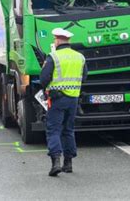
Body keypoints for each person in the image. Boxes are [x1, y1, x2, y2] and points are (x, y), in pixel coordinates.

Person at [40, 28, 87, 177]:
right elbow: (84, 76)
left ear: (58, 40)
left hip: (57, 99)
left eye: (54, 39)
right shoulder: (80, 57)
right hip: (73, 98)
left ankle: (56, 163)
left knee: (53, 130)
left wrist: (47, 87)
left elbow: (44, 78)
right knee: (68, 130)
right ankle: (68, 163)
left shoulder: (53, 57)